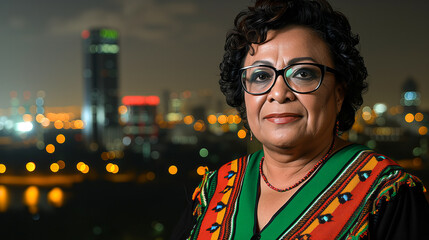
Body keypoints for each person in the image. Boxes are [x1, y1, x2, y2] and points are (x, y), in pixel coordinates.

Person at [171, 0, 429, 239]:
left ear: (339, 93)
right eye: (261, 76)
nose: (278, 93)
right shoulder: (213, 189)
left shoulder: (387, 194)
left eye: (303, 73)